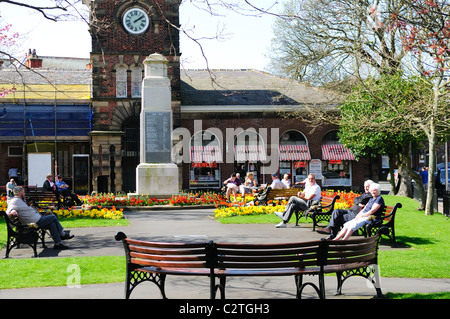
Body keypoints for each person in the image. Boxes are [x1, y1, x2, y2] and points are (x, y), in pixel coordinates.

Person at [6, 186, 74, 250]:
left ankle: (58, 244)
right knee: (53, 217)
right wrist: (12, 212)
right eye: (23, 192)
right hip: (33, 222)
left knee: (52, 224)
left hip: (36, 219)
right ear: (19, 193)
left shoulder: (20, 200)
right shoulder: (14, 201)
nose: (24, 193)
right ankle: (62, 234)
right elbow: (8, 211)